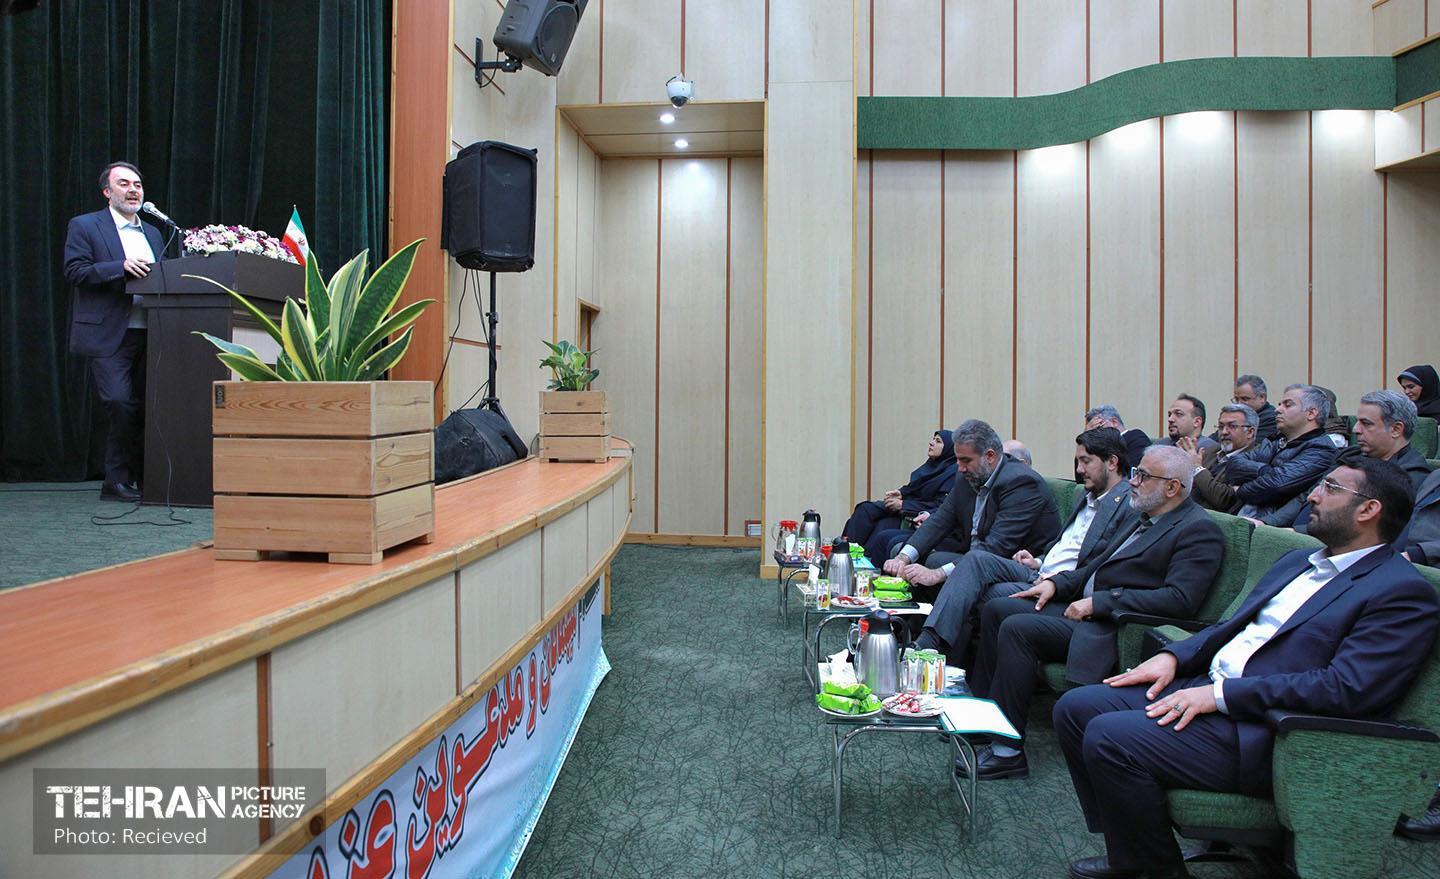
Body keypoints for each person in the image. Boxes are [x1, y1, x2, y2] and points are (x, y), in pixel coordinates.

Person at [1053, 458, 1437, 879]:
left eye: (1330, 488)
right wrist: (1174, 657)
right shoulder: (1298, 561)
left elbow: (1346, 689)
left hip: (1271, 731)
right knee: (1076, 708)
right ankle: (1132, 853)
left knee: (1111, 737)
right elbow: (1227, 627)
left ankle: (1153, 870)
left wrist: (1219, 696)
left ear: (1368, 509)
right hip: (1208, 686)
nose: (1312, 496)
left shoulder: (1400, 592)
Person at [959, 445, 1224, 781]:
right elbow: (1094, 566)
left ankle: (1006, 751)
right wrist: (1055, 584)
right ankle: (983, 720)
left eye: (1143, 476)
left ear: (1172, 487)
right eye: (1135, 473)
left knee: (1018, 628)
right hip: (1083, 609)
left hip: (1114, 627)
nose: (1133, 481)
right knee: (998, 608)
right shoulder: (1143, 518)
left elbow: (1180, 600)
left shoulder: (1198, 530)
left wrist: (1101, 603)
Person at [911, 427, 1137, 663]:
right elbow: (1066, 545)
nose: (1079, 470)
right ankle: (933, 649)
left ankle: (933, 648)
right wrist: (1037, 560)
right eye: (1078, 461)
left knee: (976, 585)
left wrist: (1055, 581)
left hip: (1061, 585)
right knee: (963, 565)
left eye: (1086, 461)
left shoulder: (1125, 503)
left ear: (1112, 462)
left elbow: (1097, 562)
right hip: (1037, 569)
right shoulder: (1085, 496)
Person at [63, 162, 166, 502]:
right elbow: (75, 271)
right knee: (121, 402)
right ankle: (116, 480)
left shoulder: (154, 233)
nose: (133, 190)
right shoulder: (85, 225)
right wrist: (118, 267)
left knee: (148, 406)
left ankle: (143, 479)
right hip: (110, 333)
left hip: (152, 331)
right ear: (107, 192)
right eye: (123, 184)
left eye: (137, 184)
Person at [880, 419, 1060, 590]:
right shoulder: (966, 475)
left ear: (990, 456)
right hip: (974, 557)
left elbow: (996, 547)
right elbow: (940, 520)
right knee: (906, 557)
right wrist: (903, 558)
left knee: (935, 565)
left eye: (966, 460)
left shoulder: (1020, 482)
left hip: (1015, 564)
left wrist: (938, 573)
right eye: (958, 460)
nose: (960, 468)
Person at [1226, 384, 1339, 520]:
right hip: (1242, 513)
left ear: (1311, 413)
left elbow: (1275, 486)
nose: (1277, 409)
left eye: (1288, 405)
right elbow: (1233, 465)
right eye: (1280, 404)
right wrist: (1264, 470)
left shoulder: (1321, 449)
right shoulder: (1274, 441)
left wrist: (1240, 490)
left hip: (1270, 524)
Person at [841, 430, 956, 557]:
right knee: (864, 509)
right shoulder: (930, 466)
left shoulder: (951, 473)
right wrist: (901, 493)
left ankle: (859, 559)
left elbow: (939, 506)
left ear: (949, 448)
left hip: (915, 514)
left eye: (938, 441)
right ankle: (844, 554)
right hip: (904, 508)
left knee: (882, 527)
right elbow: (915, 488)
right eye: (933, 439)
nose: (931, 443)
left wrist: (903, 505)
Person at [1186, 403, 1260, 513]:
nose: (1224, 432)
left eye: (1232, 426)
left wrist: (1197, 468)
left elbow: (1224, 499)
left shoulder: (1254, 460)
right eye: (1221, 427)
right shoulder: (1210, 450)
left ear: (1250, 432)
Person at [1154, 394, 1219, 468]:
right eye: (1169, 415)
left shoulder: (1209, 449)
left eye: (1178, 414)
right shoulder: (1160, 445)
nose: (1170, 419)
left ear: (1197, 422)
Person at [1086, 404, 1151, 474]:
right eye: (1093, 432)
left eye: (1099, 428)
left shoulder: (1135, 437)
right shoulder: (1098, 446)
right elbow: (1081, 474)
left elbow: (1134, 473)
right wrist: (1086, 438)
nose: (1096, 434)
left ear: (1114, 422)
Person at [1230, 374, 1278, 441]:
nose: (1239, 404)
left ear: (1262, 397)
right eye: (1236, 399)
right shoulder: (1236, 416)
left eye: (1245, 399)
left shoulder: (1271, 419)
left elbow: (1249, 444)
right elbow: (1216, 440)